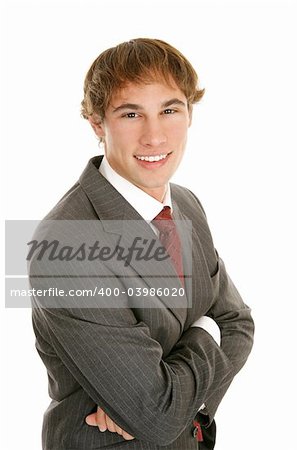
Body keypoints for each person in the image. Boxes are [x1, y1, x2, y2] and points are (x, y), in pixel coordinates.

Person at [29, 38, 254, 450]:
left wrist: (180, 401)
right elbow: (154, 414)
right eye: (131, 114)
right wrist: (207, 329)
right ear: (97, 123)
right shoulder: (64, 243)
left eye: (169, 110)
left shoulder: (185, 202)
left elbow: (239, 324)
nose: (155, 136)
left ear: (189, 114)